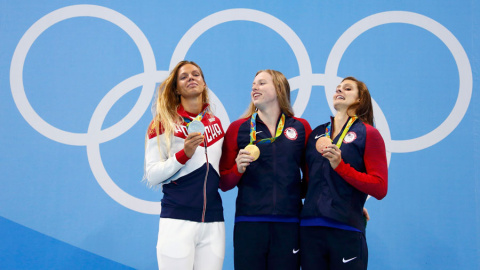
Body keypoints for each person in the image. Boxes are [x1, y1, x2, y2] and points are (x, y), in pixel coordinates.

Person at [219, 69, 312, 270]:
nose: (255, 87)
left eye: (262, 83)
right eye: (253, 84)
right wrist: (238, 169)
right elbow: (224, 182)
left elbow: (314, 176)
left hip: (289, 223)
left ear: (278, 89)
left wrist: (343, 202)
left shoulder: (301, 127)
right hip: (250, 222)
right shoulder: (238, 128)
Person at [300, 77, 388, 270]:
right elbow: (307, 184)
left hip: (345, 229)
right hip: (309, 229)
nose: (339, 91)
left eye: (347, 89)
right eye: (338, 88)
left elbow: (380, 187)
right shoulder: (317, 133)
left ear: (359, 99)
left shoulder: (369, 134)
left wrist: (341, 167)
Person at [144, 61, 225, 270]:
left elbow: (220, 173)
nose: (191, 78)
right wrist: (184, 155)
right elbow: (152, 175)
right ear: (177, 89)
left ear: (204, 83)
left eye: (196, 74)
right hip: (177, 220)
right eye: (184, 76)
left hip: (214, 223)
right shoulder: (162, 123)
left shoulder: (215, 123)